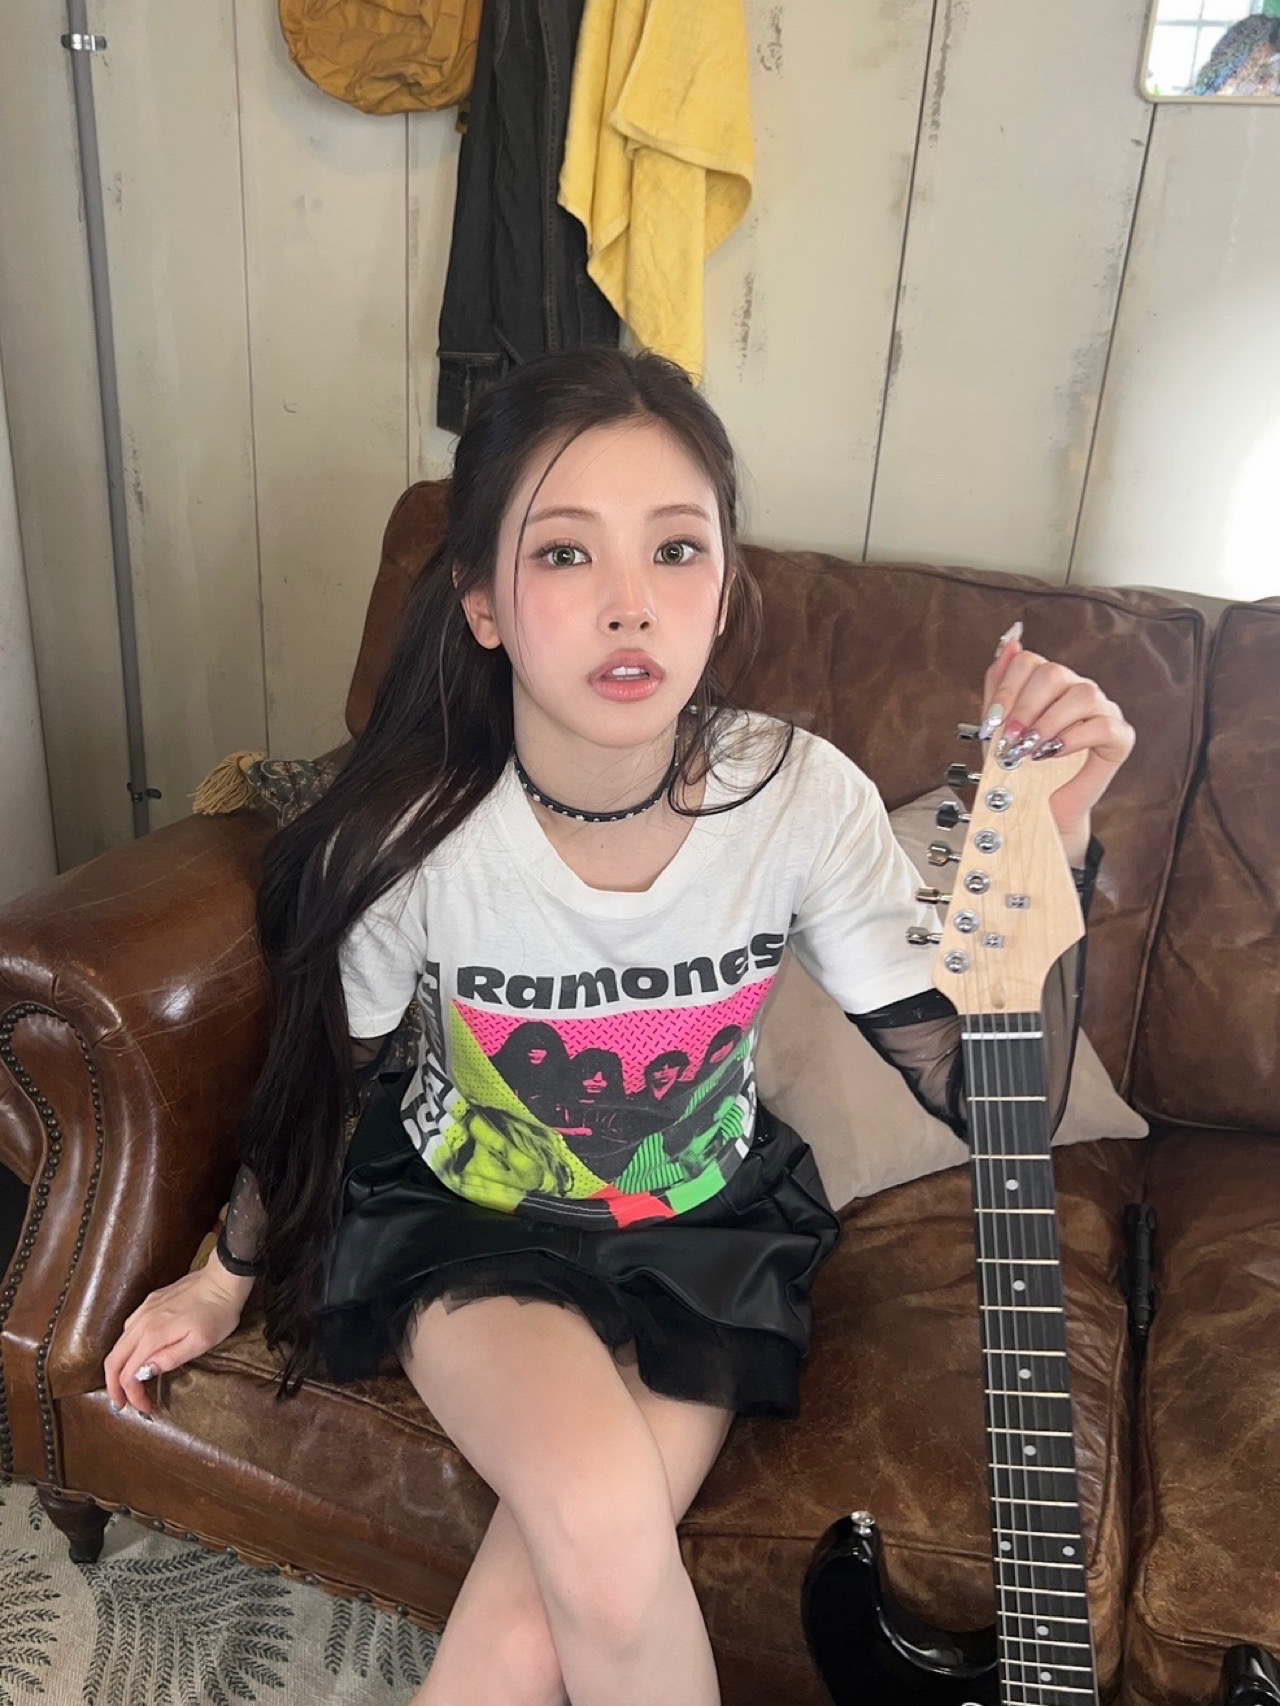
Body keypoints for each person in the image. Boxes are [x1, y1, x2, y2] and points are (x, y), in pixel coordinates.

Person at [102, 347, 1134, 1706]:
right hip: (471, 1217)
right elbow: (327, 1086)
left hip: (705, 1229)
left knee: (559, 1599)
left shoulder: (802, 802)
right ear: (481, 601)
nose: (631, 602)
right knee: (595, 1508)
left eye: (676, 548)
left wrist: (1056, 848)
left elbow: (991, 1099)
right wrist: (222, 1275)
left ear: (726, 585)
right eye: (566, 553)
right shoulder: (417, 835)